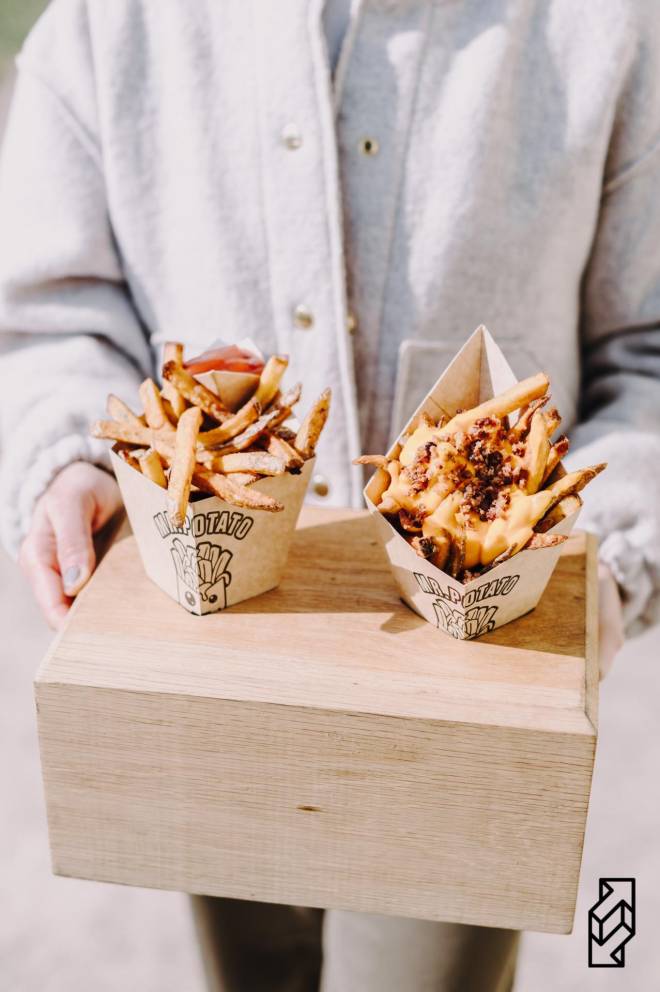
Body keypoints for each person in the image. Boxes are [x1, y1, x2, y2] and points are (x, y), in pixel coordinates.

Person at [1, 1, 659, 989]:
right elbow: (53, 315)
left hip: (476, 700)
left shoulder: (610, 29)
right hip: (214, 673)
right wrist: (66, 457)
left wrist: (607, 559)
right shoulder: (105, 26)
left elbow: (646, 348)